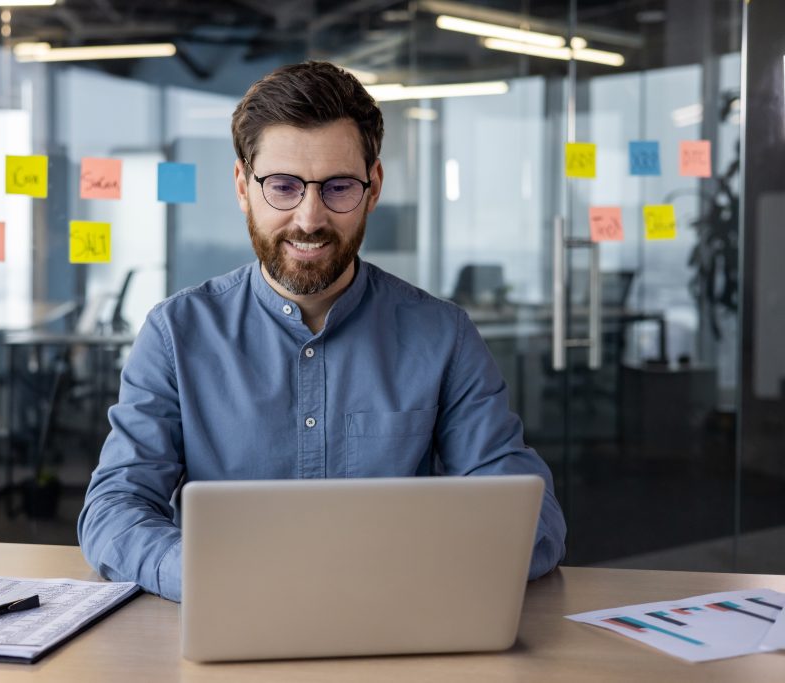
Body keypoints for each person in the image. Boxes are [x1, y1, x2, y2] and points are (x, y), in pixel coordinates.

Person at [78, 61, 566, 602]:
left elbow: (531, 512)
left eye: (338, 188)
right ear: (243, 186)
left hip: (396, 618)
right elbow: (113, 509)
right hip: (230, 615)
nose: (309, 218)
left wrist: (417, 571)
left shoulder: (442, 336)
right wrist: (202, 574)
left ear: (373, 185)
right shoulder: (176, 334)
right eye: (283, 186)